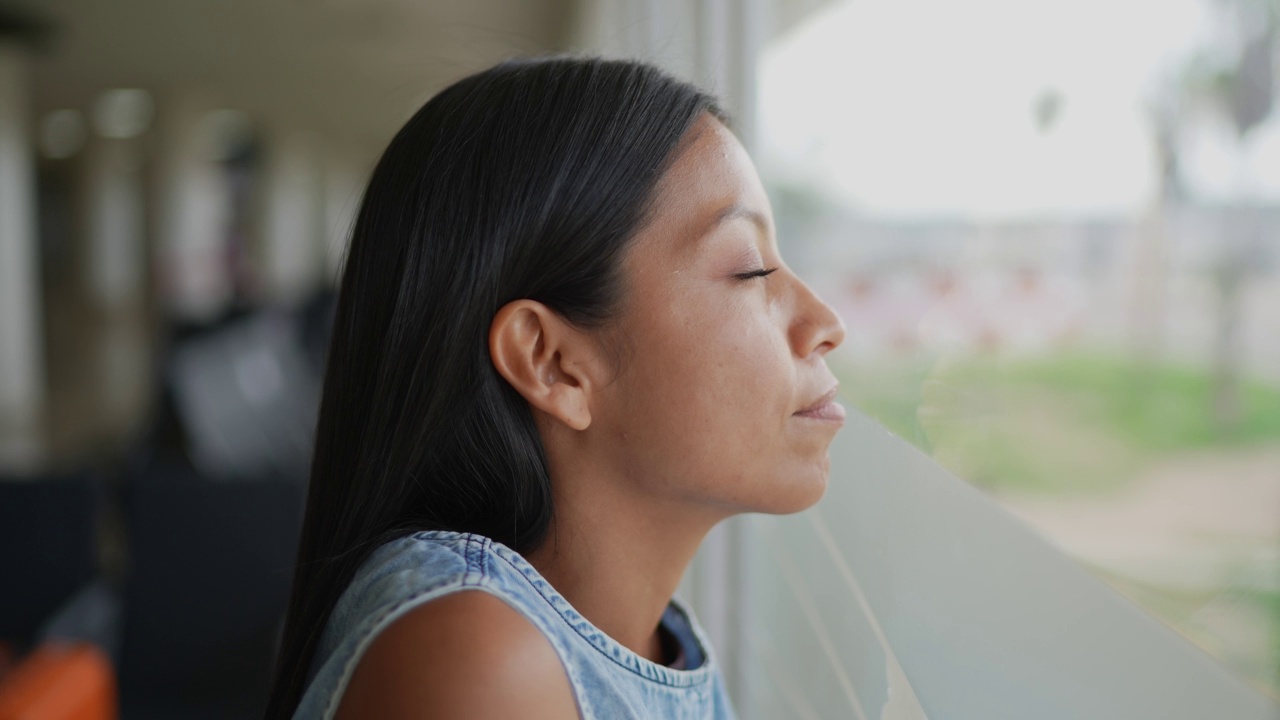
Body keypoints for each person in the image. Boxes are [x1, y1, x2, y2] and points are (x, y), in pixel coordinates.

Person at [264, 55, 846, 720]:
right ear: (552, 361)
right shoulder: (478, 660)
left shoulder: (650, 641)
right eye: (750, 269)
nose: (826, 325)